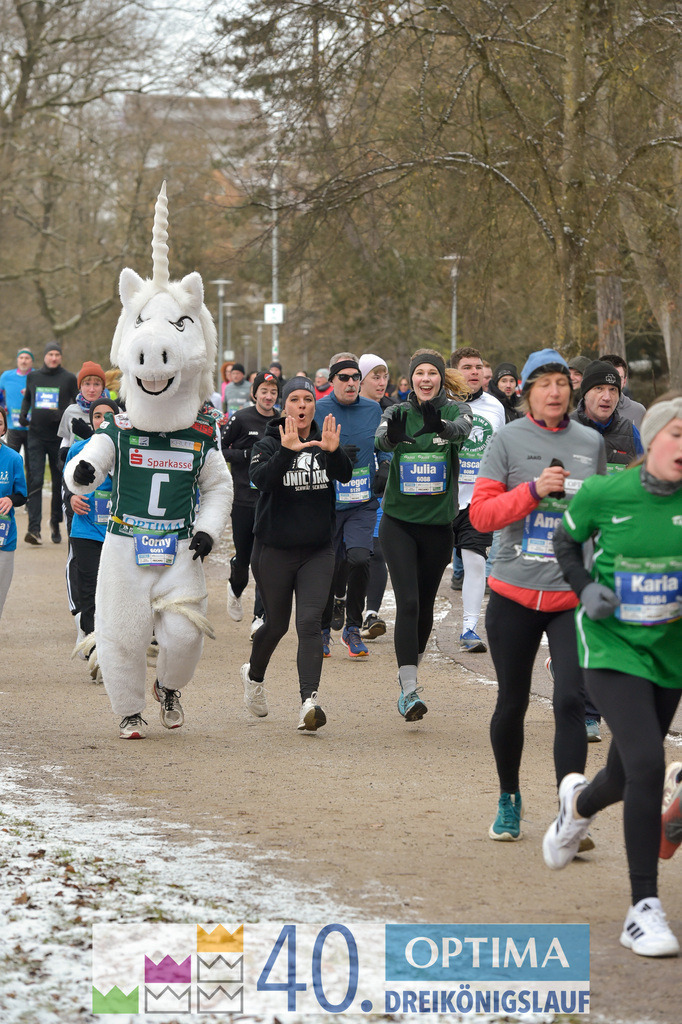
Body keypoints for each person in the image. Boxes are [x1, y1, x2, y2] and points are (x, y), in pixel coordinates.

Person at [543, 393, 682, 959]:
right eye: (678, 436)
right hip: (610, 647)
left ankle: (577, 806)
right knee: (650, 763)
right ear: (652, 439)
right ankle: (641, 909)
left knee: (627, 778)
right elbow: (565, 541)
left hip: (670, 652)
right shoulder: (606, 492)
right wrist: (583, 587)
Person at [469, 348, 606, 842]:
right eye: (543, 383)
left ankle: (570, 811)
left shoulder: (590, 442)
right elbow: (481, 516)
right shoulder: (506, 440)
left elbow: (604, 516)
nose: (554, 391)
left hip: (569, 598)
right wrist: (532, 492)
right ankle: (509, 798)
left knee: (571, 700)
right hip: (514, 593)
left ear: (571, 390)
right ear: (527, 391)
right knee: (513, 700)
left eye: (560, 383)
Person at [242, 377, 352, 730]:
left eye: (308, 399)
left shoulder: (326, 439)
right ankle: (254, 677)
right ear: (284, 406)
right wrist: (288, 451)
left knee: (308, 622)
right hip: (273, 549)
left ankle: (309, 702)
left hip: (318, 550)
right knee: (276, 624)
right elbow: (261, 480)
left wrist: (334, 453)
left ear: (313, 405)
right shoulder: (269, 442)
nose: (302, 406)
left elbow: (345, 477)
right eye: (294, 400)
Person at [376, 348, 472, 721]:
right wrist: (392, 439)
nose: (426, 379)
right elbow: (379, 439)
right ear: (412, 378)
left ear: (440, 377)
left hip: (438, 526)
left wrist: (441, 429)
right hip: (399, 522)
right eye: (420, 374)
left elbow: (463, 431)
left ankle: (409, 671)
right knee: (409, 603)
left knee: (426, 607)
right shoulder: (395, 411)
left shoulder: (456, 410)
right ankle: (410, 689)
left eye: (432, 373)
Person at [317, 353, 388, 658]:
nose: (350, 383)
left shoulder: (373, 409)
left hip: (362, 502)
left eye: (355, 378)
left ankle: (353, 628)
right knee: (327, 565)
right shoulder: (318, 409)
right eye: (343, 378)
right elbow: (301, 450)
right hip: (327, 503)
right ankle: (321, 628)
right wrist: (330, 456)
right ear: (331, 381)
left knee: (360, 558)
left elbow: (385, 444)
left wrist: (385, 464)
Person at [449, 347, 505, 652]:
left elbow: (502, 448)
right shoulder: (442, 405)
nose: (474, 372)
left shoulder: (495, 407)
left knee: (475, 562)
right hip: (442, 499)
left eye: (478, 366)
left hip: (478, 501)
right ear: (454, 373)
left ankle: (469, 629)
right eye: (466, 367)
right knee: (429, 568)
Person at [221, 371, 279, 635]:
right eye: (264, 391)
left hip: (270, 500)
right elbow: (218, 449)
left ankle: (259, 616)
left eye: (273, 392)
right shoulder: (241, 418)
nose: (268, 396)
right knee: (244, 559)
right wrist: (245, 454)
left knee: (264, 560)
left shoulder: (282, 420)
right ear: (254, 393)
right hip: (243, 499)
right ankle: (235, 588)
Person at [62, 398, 118, 674]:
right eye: (97, 416)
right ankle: (94, 647)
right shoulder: (78, 449)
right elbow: (67, 488)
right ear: (91, 419)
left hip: (119, 534)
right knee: (89, 592)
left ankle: (111, 645)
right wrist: (72, 498)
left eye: (109, 415)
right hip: (85, 530)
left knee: (115, 592)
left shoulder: (127, 450)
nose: (102, 420)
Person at [19, 341, 78, 545]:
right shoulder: (33, 376)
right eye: (50, 354)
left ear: (60, 357)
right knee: (34, 479)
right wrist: (23, 413)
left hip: (58, 438)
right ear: (44, 356)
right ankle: (34, 529)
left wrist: (62, 415)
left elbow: (76, 404)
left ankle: (55, 522)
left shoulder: (69, 378)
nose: (53, 358)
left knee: (57, 481)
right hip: (35, 435)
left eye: (57, 354)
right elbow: (28, 398)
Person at [358, 353, 394, 639]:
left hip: (379, 491)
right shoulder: (347, 408)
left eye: (385, 377)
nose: (382, 382)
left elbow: (395, 446)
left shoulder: (392, 410)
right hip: (346, 492)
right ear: (361, 379)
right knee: (350, 555)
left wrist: (386, 463)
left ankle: (371, 614)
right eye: (375, 376)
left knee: (377, 551)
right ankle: (342, 602)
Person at [0, 405, 28, 620]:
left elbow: (22, 495)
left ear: (4, 428)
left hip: (4, 536)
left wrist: (10, 499)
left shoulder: (13, 458)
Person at [0, 348, 34, 478]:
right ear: (17, 360)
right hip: (13, 427)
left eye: (27, 358)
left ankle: (28, 495)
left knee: (32, 465)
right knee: (9, 461)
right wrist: (3, 407)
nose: (24, 361)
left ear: (32, 361)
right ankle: (9, 490)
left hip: (32, 427)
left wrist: (32, 392)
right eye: (21, 358)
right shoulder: (6, 376)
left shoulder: (36, 376)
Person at [601, 353, 646, 429]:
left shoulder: (638, 411)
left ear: (624, 381)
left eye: (618, 378)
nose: (612, 382)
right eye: (607, 377)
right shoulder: (582, 412)